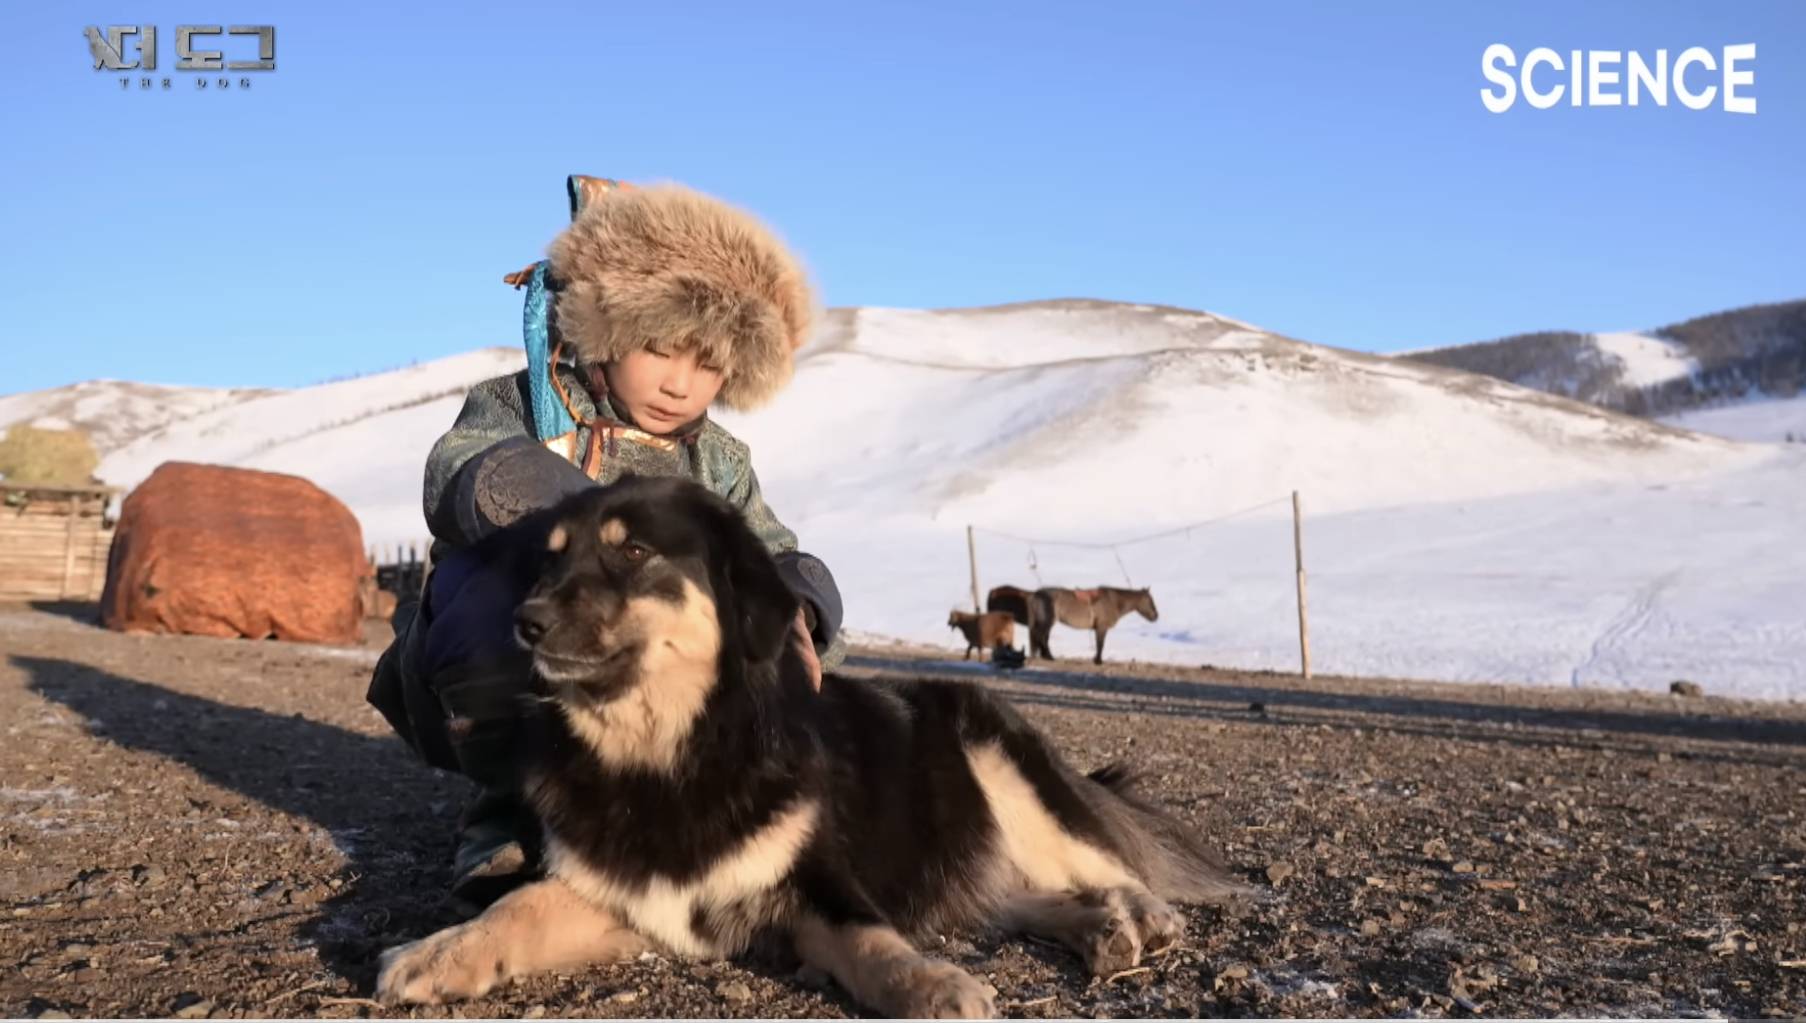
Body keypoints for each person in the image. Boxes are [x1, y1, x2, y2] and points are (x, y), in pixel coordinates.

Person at [366, 175, 846, 910]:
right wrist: (574, 518)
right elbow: (456, 474)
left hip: (651, 696)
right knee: (487, 585)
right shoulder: (521, 404)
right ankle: (509, 808)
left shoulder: (718, 463)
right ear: (605, 324)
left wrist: (798, 614)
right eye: (658, 345)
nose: (681, 383)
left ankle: (688, 822)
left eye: (709, 361)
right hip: (519, 658)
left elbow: (773, 552)